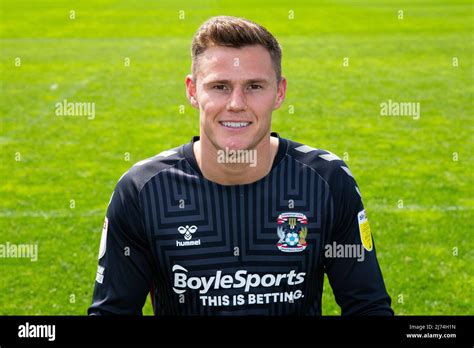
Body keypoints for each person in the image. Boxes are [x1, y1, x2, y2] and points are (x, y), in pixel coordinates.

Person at [88, 16, 393, 315]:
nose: (236, 103)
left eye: (254, 87)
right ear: (192, 91)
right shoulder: (142, 190)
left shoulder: (326, 180)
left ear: (280, 92)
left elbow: (368, 307)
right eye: (220, 86)